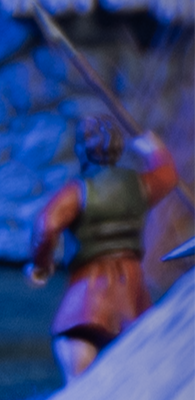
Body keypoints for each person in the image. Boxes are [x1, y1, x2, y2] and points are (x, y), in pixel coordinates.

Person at [26, 115, 178, 382]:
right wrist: (155, 149)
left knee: (75, 365)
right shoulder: (140, 185)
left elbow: (46, 226)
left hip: (88, 294)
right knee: (132, 370)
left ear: (82, 149)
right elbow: (168, 176)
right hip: (132, 294)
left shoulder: (78, 192)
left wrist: (41, 265)